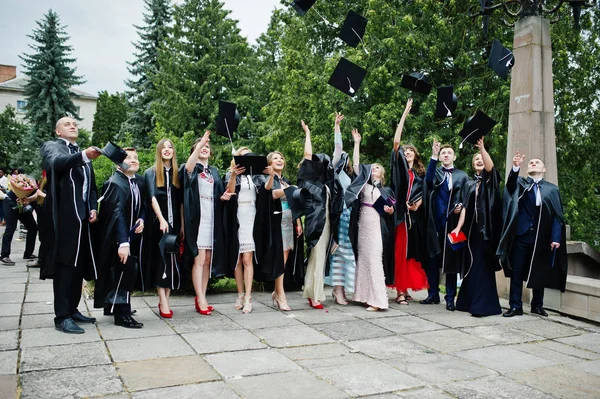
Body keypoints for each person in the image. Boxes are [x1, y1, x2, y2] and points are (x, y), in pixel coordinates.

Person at [40, 116, 100, 334]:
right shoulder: (52, 147)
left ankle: (73, 309)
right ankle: (62, 316)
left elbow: (91, 187)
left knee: (78, 267)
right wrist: (83, 155)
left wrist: (93, 207)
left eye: (74, 123)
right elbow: (57, 164)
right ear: (58, 131)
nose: (73, 125)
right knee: (65, 267)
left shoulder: (83, 155)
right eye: (67, 124)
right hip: (64, 220)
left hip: (83, 220)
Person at [497, 153, 568, 317]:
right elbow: (510, 186)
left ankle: (537, 305)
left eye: (537, 162)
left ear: (544, 169)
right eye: (531, 163)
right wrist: (515, 167)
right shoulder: (521, 183)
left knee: (539, 270)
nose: (533, 163)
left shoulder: (552, 189)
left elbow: (558, 215)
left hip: (541, 237)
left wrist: (556, 237)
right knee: (517, 271)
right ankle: (515, 306)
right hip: (521, 235)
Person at [95, 148, 146, 328]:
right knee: (121, 273)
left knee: (124, 272)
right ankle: (122, 315)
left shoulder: (137, 181)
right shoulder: (115, 183)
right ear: (118, 163)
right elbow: (117, 214)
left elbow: (143, 205)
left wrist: (142, 219)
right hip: (117, 238)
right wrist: (123, 242)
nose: (133, 160)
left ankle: (112, 306)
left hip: (131, 235)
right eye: (128, 157)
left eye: (136, 158)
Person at [346, 129, 395, 311]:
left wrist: (390, 210)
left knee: (375, 260)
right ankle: (363, 295)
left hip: (377, 226)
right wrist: (357, 143)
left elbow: (392, 211)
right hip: (362, 223)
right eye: (372, 167)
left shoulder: (386, 191)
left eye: (376, 168)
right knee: (364, 259)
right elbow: (357, 165)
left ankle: (378, 300)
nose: (373, 169)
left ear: (381, 174)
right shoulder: (364, 185)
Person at [181, 131, 229, 315]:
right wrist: (201, 142)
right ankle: (200, 297)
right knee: (199, 259)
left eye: (207, 147)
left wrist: (223, 197)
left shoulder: (214, 172)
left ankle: (202, 295)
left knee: (208, 259)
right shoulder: (191, 168)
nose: (204, 149)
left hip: (212, 217)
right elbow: (188, 169)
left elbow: (218, 194)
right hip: (197, 219)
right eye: (201, 147)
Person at [455, 138, 502, 317]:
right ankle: (468, 301)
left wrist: (482, 148)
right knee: (472, 265)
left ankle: (484, 306)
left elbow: (491, 168)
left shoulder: (490, 181)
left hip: (486, 230)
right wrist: (459, 227)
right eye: (476, 159)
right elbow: (466, 208)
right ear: (473, 165)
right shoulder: (469, 184)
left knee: (483, 265)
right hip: (472, 231)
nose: (479, 161)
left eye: (481, 158)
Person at [224, 147, 274, 314]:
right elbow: (229, 192)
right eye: (243, 155)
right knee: (237, 259)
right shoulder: (231, 174)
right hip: (237, 218)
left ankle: (248, 296)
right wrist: (233, 175)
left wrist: (271, 175)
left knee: (247, 259)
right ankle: (239, 293)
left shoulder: (257, 176)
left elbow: (267, 189)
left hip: (252, 218)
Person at [389, 99, 428, 305]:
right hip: (401, 216)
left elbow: (424, 192)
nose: (407, 153)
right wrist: (404, 114)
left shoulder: (420, 174)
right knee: (400, 251)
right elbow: (396, 143)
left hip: (415, 218)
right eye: (404, 152)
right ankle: (400, 291)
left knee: (412, 253)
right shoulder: (400, 169)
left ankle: (407, 288)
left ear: (415, 154)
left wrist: (419, 203)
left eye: (410, 151)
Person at [421, 140, 468, 311]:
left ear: (454, 156)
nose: (446, 155)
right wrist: (433, 156)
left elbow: (466, 197)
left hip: (453, 223)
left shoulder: (462, 176)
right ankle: (433, 294)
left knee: (451, 262)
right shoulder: (435, 172)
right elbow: (427, 181)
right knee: (432, 259)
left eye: (449, 153)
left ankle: (450, 298)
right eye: (443, 153)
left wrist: (461, 205)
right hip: (435, 222)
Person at [254, 151, 304, 311]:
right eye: (275, 158)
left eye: (281, 157)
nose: (279, 160)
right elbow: (272, 194)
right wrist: (291, 190)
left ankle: (277, 292)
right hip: (276, 221)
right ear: (269, 164)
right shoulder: (268, 179)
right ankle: (280, 295)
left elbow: (293, 202)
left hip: (289, 220)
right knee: (279, 260)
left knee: (285, 257)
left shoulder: (285, 180)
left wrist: (298, 222)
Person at [298, 120, 336, 309]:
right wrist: (308, 134)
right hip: (316, 224)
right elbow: (307, 156)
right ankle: (315, 295)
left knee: (320, 260)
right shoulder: (308, 181)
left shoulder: (327, 186)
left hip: (326, 224)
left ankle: (312, 291)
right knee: (316, 257)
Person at [144, 139, 183, 318]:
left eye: (170, 147)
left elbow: (181, 202)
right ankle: (163, 299)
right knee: (161, 261)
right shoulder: (151, 172)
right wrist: (161, 219)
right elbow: (152, 198)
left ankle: (165, 298)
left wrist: (181, 224)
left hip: (174, 224)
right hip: (158, 223)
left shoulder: (176, 174)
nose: (167, 150)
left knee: (172, 260)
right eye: (164, 148)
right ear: (159, 151)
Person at [325, 112, 356, 305]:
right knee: (337, 252)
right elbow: (338, 148)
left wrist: (358, 145)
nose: (344, 159)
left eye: (346, 158)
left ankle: (343, 289)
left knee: (348, 253)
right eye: (342, 157)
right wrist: (337, 126)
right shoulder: (335, 172)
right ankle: (337, 291)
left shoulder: (352, 177)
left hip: (350, 216)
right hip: (338, 215)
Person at [0, 173, 38, 265]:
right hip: (10, 203)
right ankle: (4, 255)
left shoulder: (35, 186)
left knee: (33, 227)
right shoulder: (25, 183)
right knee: (10, 228)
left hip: (23, 205)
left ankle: (28, 253)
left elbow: (35, 203)